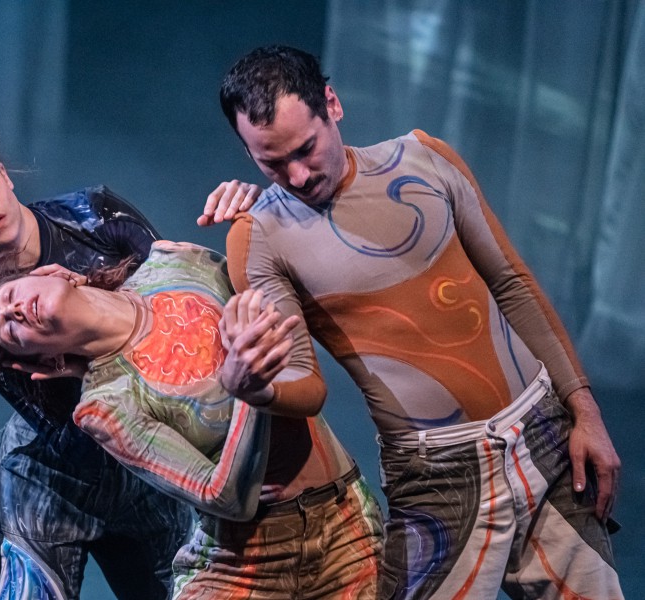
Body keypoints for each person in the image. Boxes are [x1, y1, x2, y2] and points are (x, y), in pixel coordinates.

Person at [208, 45, 623, 599]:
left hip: (545, 437)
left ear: (332, 104)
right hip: (438, 476)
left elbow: (512, 285)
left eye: (305, 149)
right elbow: (307, 387)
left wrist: (585, 410)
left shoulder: (424, 158)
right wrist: (252, 387)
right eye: (273, 163)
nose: (298, 175)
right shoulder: (258, 236)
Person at [0, 240, 384, 599]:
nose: (16, 312)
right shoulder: (106, 406)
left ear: (54, 273)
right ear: (43, 360)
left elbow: (279, 303)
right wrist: (248, 392)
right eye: (10, 330)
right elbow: (224, 498)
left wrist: (250, 212)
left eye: (9, 298)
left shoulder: (178, 261)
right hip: (243, 561)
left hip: (345, 526)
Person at [0, 123, 200, 600]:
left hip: (147, 454)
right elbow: (76, 426)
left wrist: (93, 300)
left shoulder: (94, 216)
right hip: (57, 470)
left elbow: (184, 308)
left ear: (5, 175)